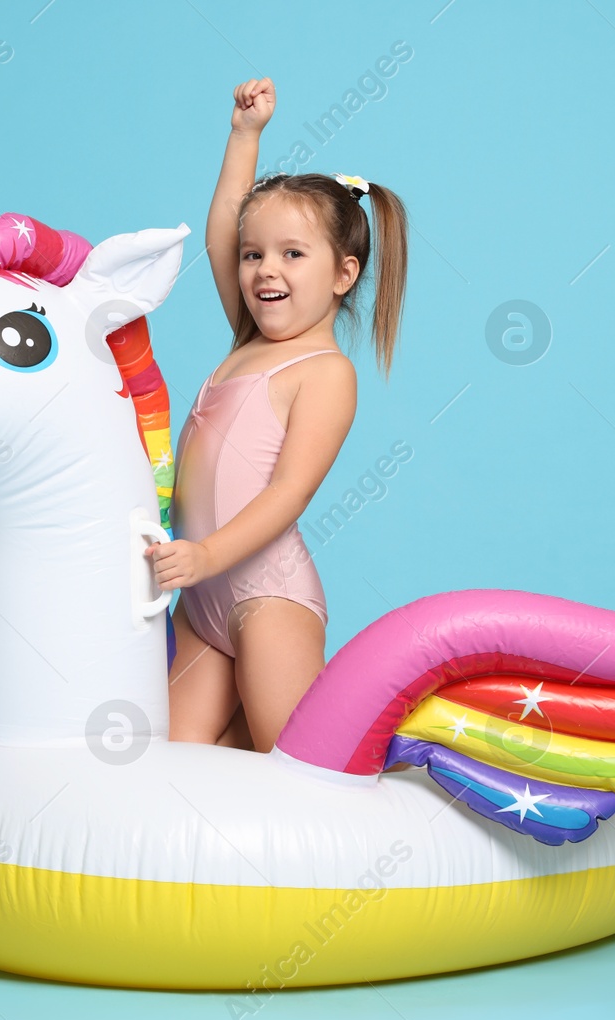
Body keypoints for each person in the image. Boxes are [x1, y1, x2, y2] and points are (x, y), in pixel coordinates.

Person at [145, 76, 409, 753]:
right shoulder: (247, 338)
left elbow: (289, 492)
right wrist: (245, 137)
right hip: (202, 602)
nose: (266, 269)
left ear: (344, 274)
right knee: (171, 754)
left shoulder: (323, 373)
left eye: (293, 254)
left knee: (290, 763)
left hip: (266, 595)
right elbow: (219, 234)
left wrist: (204, 553)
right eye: (256, 254)